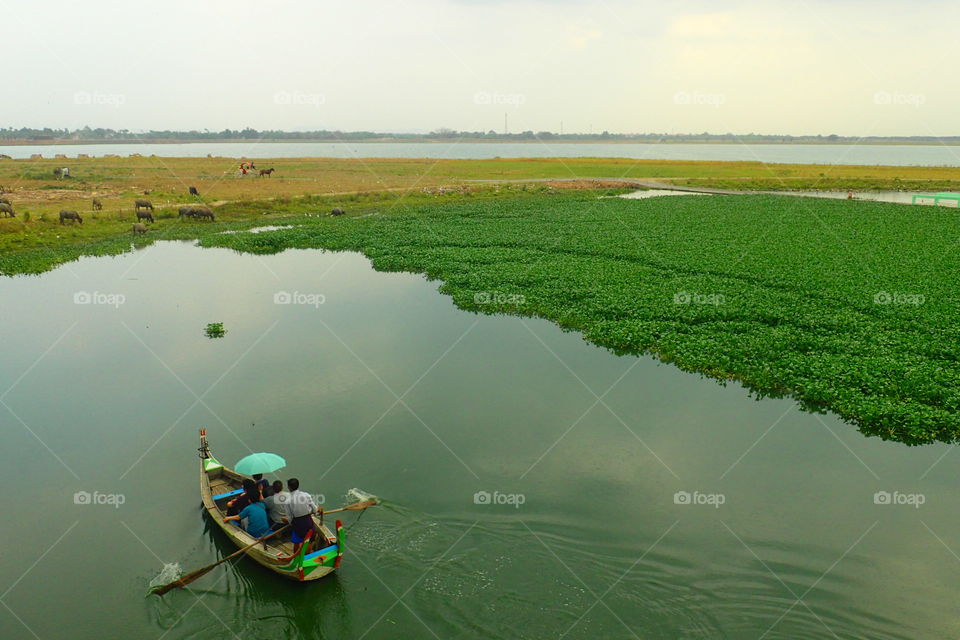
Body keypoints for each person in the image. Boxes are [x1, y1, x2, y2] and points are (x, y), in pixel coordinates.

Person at [283, 478, 324, 559]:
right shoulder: (306, 495)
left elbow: (290, 518)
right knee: (310, 540)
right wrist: (316, 509)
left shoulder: (287, 501)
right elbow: (315, 510)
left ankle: (296, 558)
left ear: (289, 487)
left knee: (296, 541)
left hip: (297, 523)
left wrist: (291, 523)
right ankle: (306, 557)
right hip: (308, 521)